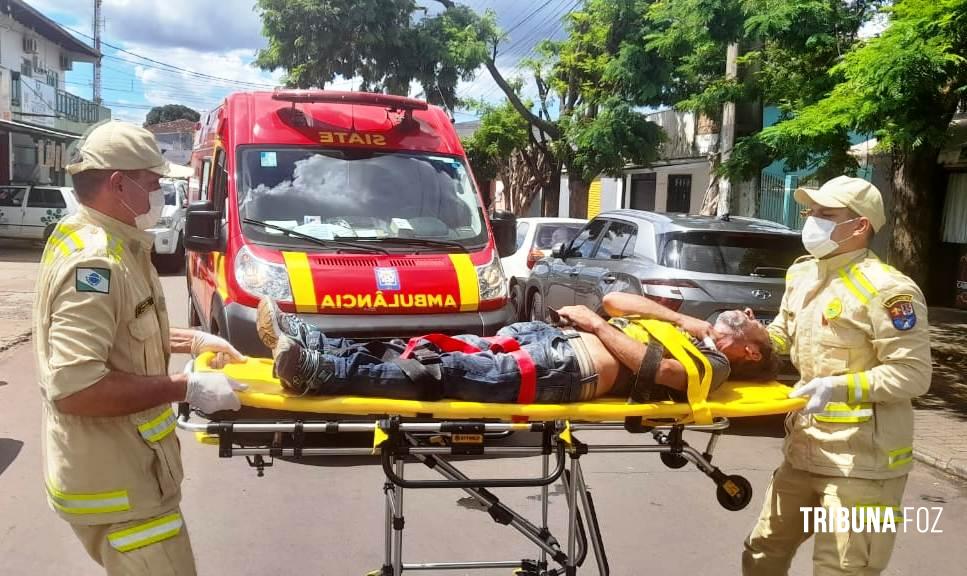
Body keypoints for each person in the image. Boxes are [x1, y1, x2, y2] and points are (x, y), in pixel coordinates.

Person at [35, 121, 249, 575]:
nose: (158, 194)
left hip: (128, 479)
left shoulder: (101, 238)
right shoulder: (96, 262)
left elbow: (119, 331)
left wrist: (191, 339)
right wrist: (185, 387)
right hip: (120, 491)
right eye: (152, 183)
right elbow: (75, 388)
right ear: (118, 183)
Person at [742, 176, 932, 575]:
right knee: (762, 553)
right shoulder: (803, 275)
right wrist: (755, 336)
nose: (811, 220)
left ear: (860, 225)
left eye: (826, 214)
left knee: (843, 569)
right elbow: (785, 335)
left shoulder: (889, 290)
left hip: (864, 466)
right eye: (811, 212)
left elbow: (913, 375)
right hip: (805, 451)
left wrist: (837, 387)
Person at [255, 292, 780, 402]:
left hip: (565, 369)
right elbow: (618, 297)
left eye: (755, 326)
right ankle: (314, 344)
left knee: (439, 373)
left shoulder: (714, 365)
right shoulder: (692, 333)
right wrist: (689, 319)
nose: (749, 315)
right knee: (421, 348)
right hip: (547, 341)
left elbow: (659, 371)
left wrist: (597, 328)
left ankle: (319, 371)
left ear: (750, 354)